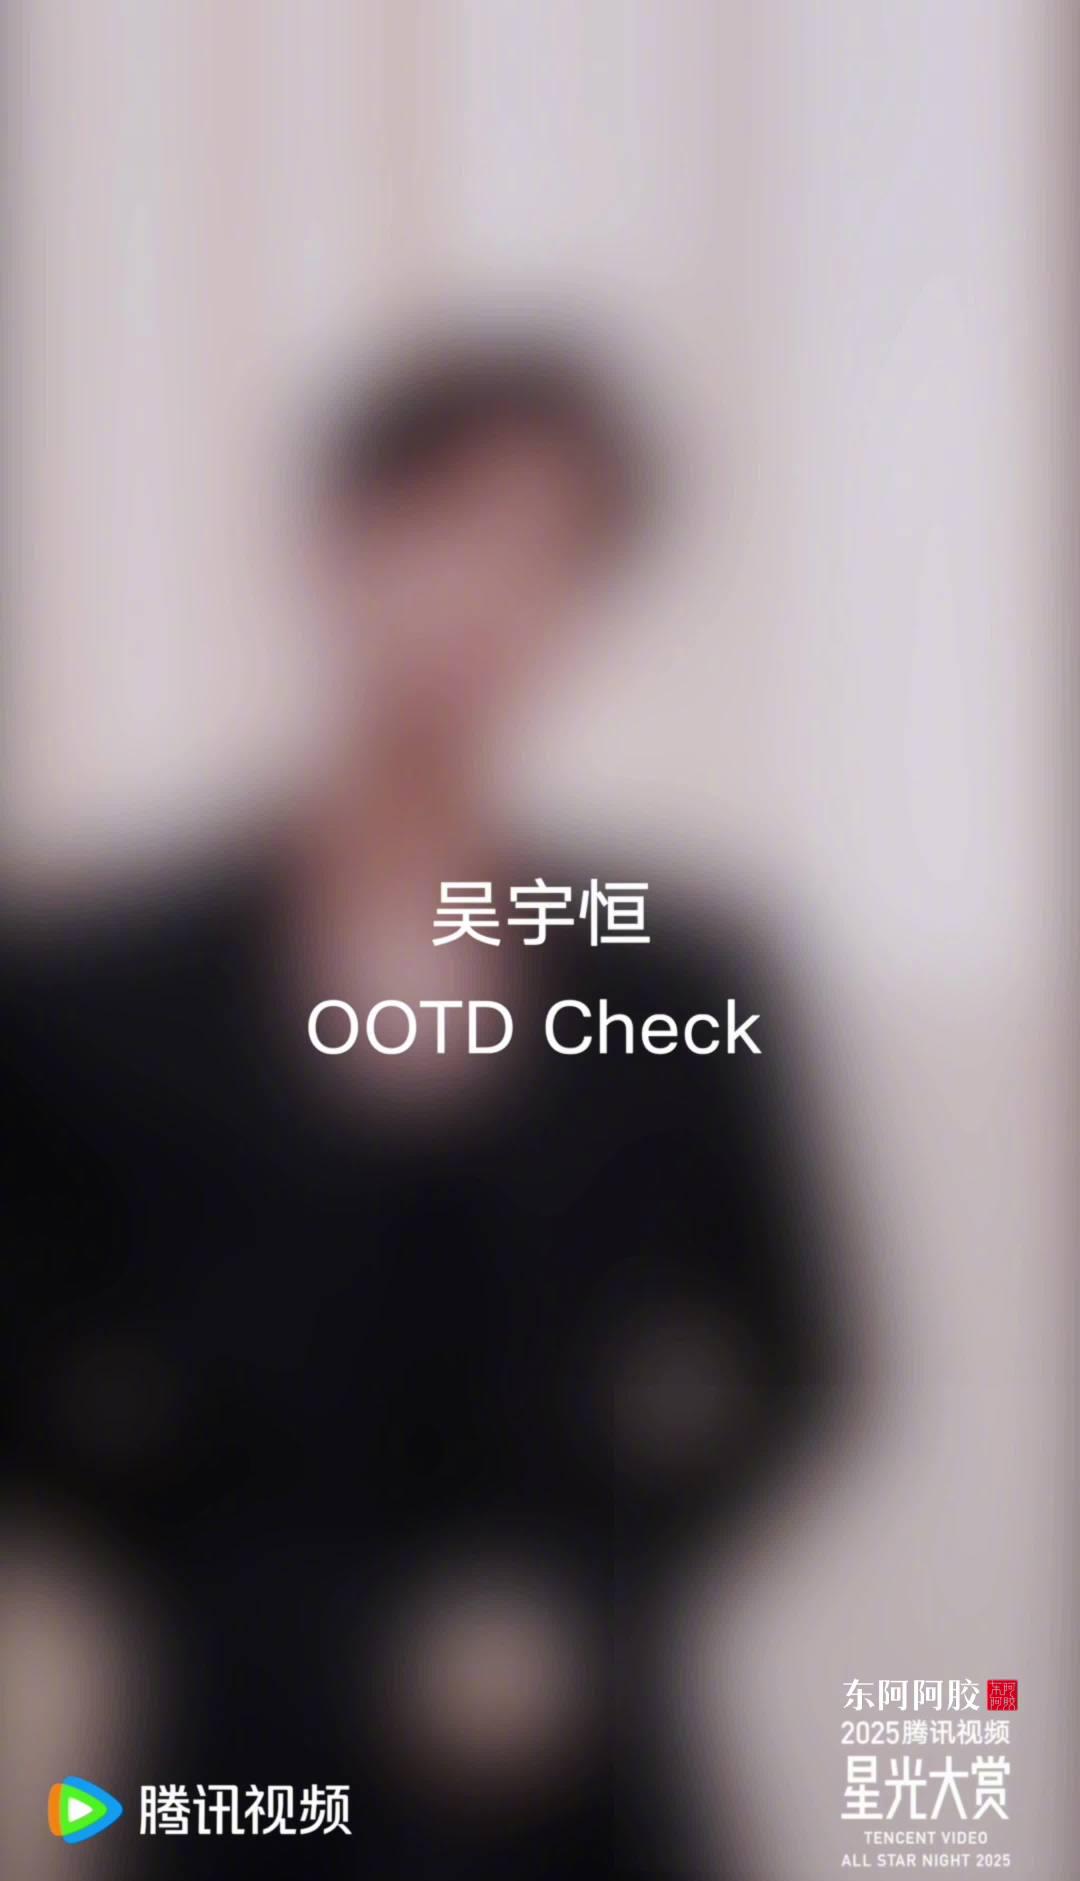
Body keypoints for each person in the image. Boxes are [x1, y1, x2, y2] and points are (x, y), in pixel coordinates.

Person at [5, 332, 837, 1877]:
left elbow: (798, 1355)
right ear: (343, 537)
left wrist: (597, 1583)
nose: (482, 595)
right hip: (237, 1750)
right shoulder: (102, 983)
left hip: (581, 1745)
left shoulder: (673, 973)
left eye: (550, 553)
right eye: (447, 522)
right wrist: (227, 1585)